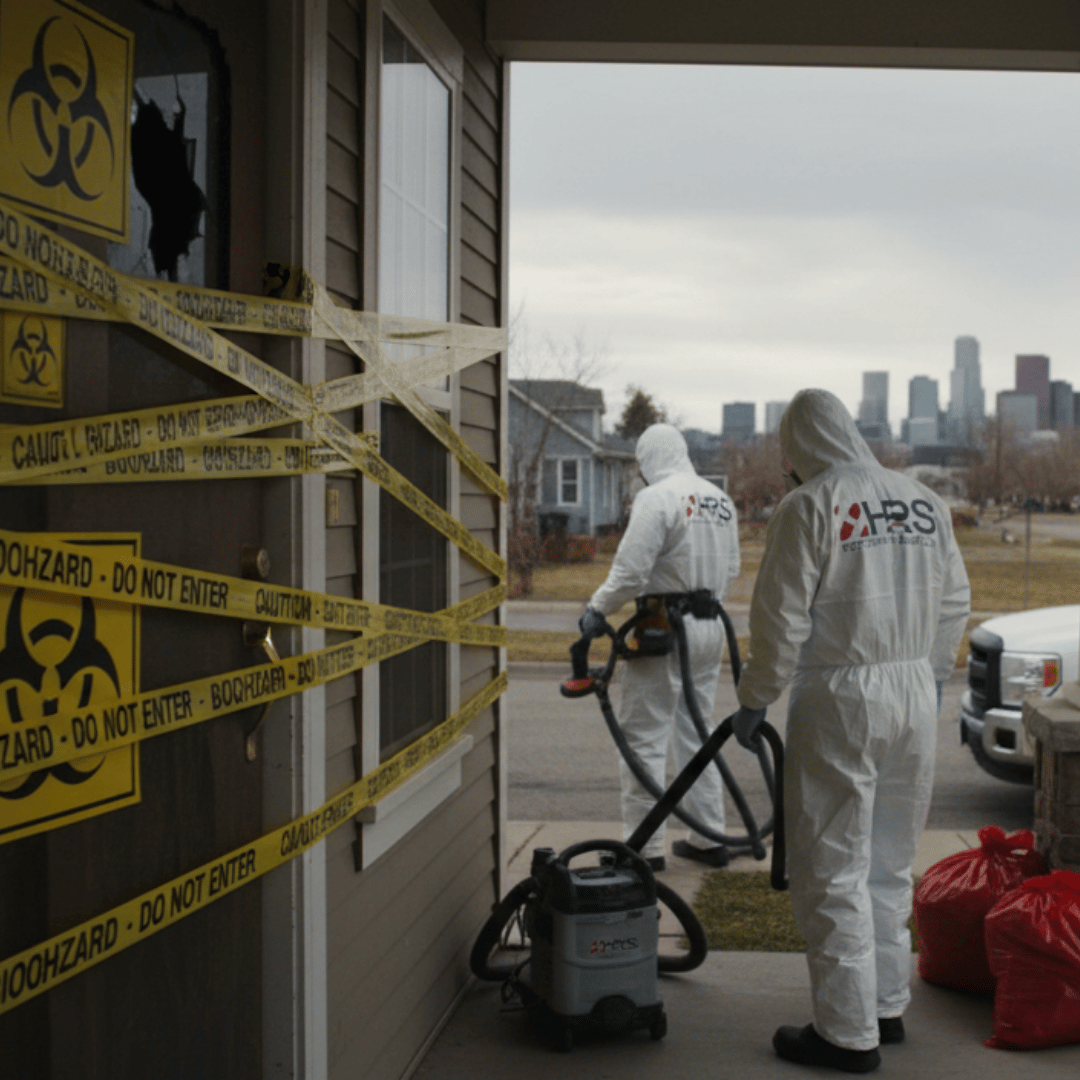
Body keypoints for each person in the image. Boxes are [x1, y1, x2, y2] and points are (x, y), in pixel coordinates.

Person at [731, 390, 970, 1073]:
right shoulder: (920, 498)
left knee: (832, 864)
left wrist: (756, 699)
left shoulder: (810, 506)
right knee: (890, 860)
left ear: (800, 444)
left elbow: (779, 620)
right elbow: (955, 598)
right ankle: (886, 1004)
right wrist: (931, 672)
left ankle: (845, 1032)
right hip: (912, 694)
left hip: (839, 694)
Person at [580, 423, 740, 872]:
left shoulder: (656, 498)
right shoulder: (719, 499)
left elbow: (630, 573)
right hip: (709, 628)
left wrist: (597, 609)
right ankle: (709, 838)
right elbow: (732, 567)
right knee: (697, 733)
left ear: (649, 457)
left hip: (663, 630)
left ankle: (643, 848)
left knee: (643, 737)